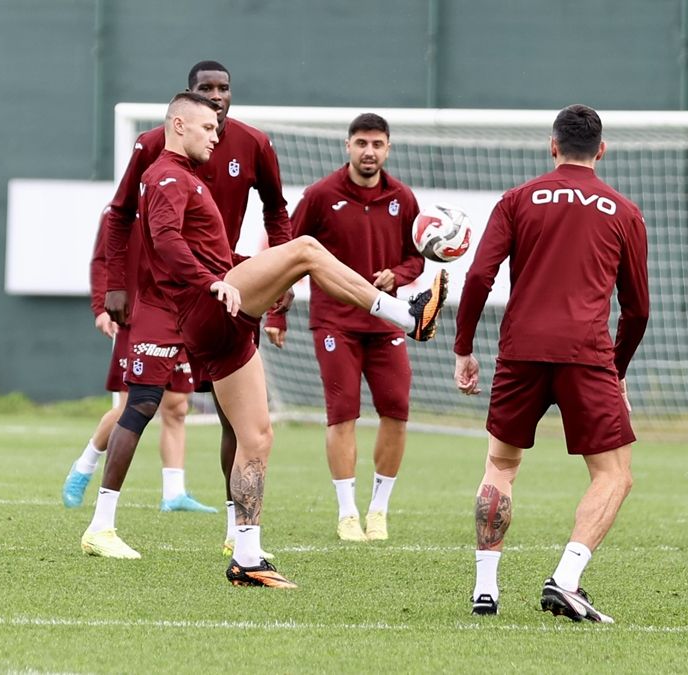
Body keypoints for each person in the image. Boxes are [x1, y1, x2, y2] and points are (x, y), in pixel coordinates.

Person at [135, 92, 447, 587]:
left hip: (220, 309)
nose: (216, 136)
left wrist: (247, 274)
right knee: (305, 249)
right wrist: (211, 283)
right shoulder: (167, 175)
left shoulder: (186, 175)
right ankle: (406, 317)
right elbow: (166, 239)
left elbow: (207, 252)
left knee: (257, 437)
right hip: (209, 303)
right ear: (178, 125)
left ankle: (247, 556)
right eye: (208, 128)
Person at [82, 60, 293, 560]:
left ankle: (236, 530)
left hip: (225, 287)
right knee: (142, 402)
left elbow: (276, 210)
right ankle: (102, 525)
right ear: (187, 100)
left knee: (233, 414)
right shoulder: (156, 146)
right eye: (206, 89)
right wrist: (115, 285)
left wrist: (278, 277)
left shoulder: (254, 144)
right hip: (163, 293)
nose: (217, 97)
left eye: (224, 88)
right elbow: (120, 214)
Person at [453, 104, 649, 622]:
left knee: (500, 465)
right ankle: (565, 578)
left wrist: (464, 346)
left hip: (521, 350)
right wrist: (618, 370)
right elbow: (637, 309)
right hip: (587, 354)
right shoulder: (623, 211)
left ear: (553, 145)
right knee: (614, 475)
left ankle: (485, 589)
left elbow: (479, 277)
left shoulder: (518, 199)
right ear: (601, 151)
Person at [267, 113, 423, 542]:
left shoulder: (403, 198)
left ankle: (378, 510)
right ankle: (347, 513)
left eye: (377, 144)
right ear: (347, 146)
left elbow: (416, 257)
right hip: (335, 322)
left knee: (397, 411)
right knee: (342, 413)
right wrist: (277, 313)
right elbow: (287, 255)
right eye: (361, 143)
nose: (369, 151)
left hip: (386, 323)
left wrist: (397, 274)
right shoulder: (320, 195)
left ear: (388, 148)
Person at [62, 208, 215, 516]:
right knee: (129, 407)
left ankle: (174, 493)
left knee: (177, 407)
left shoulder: (182, 203)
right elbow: (102, 261)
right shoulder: (118, 211)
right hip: (136, 319)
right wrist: (101, 308)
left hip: (178, 316)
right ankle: (83, 468)